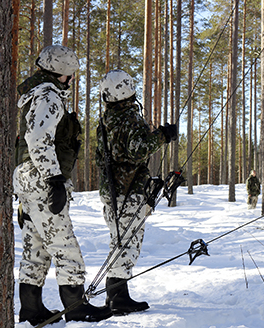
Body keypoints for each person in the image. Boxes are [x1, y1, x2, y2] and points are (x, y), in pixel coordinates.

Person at [13, 45, 112, 324]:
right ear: (64, 73)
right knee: (65, 246)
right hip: (41, 179)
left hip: (28, 178)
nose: (73, 78)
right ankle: (77, 307)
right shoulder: (49, 97)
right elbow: (38, 139)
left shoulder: (35, 95)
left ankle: (32, 309)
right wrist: (54, 179)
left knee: (37, 248)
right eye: (72, 74)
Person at [96, 69, 178, 315]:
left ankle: (116, 294)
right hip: (127, 188)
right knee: (127, 242)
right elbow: (137, 150)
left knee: (119, 240)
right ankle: (118, 297)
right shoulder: (128, 118)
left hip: (112, 189)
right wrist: (162, 136)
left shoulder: (107, 119)